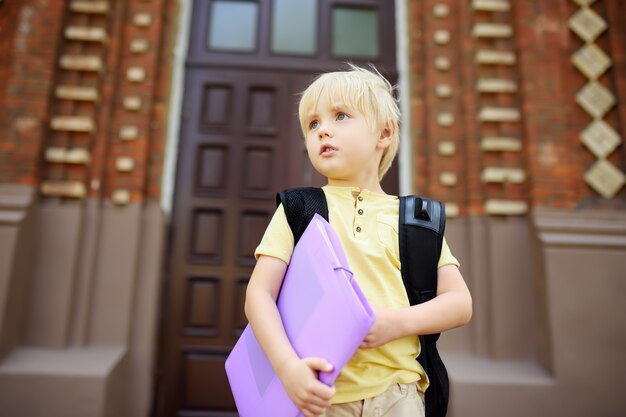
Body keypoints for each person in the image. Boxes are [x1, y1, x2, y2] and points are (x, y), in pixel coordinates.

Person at [244, 64, 472, 417]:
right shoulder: (299, 208)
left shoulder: (415, 220)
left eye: (340, 116)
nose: (323, 131)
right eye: (313, 124)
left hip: (399, 394)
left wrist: (394, 323)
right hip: (322, 395)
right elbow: (259, 295)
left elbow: (459, 304)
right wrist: (288, 368)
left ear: (384, 133)